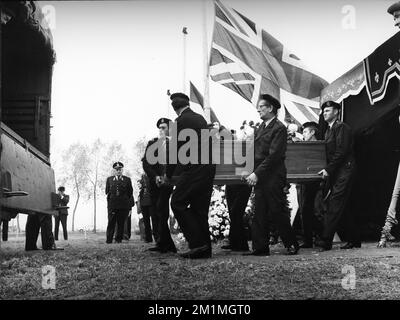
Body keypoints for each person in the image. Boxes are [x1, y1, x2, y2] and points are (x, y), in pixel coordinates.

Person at [245, 94, 299, 256]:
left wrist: (256, 173)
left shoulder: (279, 128)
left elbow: (274, 156)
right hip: (262, 176)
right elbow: (256, 153)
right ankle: (260, 248)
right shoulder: (262, 127)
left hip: (273, 176)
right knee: (259, 211)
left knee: (277, 210)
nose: (258, 109)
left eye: (261, 106)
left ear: (270, 108)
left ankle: (291, 244)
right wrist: (250, 171)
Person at [165, 92, 216, 259]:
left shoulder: (179, 122)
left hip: (194, 168)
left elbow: (174, 150)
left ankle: (198, 244)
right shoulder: (200, 118)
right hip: (208, 168)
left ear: (175, 109)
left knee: (177, 202)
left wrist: (168, 174)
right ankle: (205, 249)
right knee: (199, 209)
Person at [316, 101, 357, 251]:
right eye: (324, 111)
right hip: (338, 171)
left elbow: (342, 151)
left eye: (327, 110)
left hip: (345, 170)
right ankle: (355, 239)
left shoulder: (342, 128)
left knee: (335, 203)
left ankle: (326, 240)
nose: (324, 113)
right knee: (342, 205)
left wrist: (328, 169)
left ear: (336, 112)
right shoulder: (328, 130)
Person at [143, 117, 177, 253]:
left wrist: (169, 178)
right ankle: (161, 242)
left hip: (168, 182)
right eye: (160, 128)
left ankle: (166, 244)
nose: (161, 130)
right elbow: (146, 163)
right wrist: (155, 176)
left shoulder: (175, 144)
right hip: (155, 183)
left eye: (164, 128)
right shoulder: (152, 143)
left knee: (161, 210)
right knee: (156, 213)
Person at [298, 121, 322, 248]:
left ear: (313, 132)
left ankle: (320, 237)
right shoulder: (303, 145)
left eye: (305, 132)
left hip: (317, 182)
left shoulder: (320, 146)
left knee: (317, 211)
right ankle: (308, 240)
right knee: (305, 211)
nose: (303, 135)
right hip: (304, 182)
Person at [105, 162, 134, 244]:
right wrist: (109, 204)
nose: (118, 171)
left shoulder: (127, 179)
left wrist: (127, 205)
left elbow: (130, 192)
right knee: (111, 222)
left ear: (122, 170)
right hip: (112, 205)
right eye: (117, 169)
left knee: (121, 223)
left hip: (123, 205)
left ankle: (118, 239)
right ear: (114, 170)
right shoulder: (109, 179)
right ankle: (109, 240)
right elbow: (107, 191)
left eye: (120, 169)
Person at [138, 174, 155, 242]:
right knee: (146, 222)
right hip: (144, 204)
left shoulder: (152, 180)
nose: (144, 182)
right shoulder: (142, 190)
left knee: (154, 221)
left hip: (151, 204)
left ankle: (157, 237)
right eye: (143, 181)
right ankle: (148, 238)